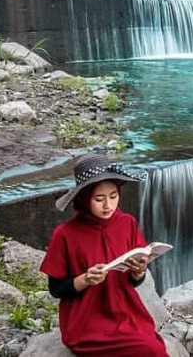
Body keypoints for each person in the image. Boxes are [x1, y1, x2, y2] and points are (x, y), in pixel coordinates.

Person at [40, 153, 168, 357]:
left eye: (113, 196)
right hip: (86, 321)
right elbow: (56, 289)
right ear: (84, 199)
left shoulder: (127, 223)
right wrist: (85, 279)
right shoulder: (65, 234)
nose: (108, 205)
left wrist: (138, 272)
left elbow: (132, 282)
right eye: (99, 199)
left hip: (125, 312)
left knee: (155, 348)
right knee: (149, 350)